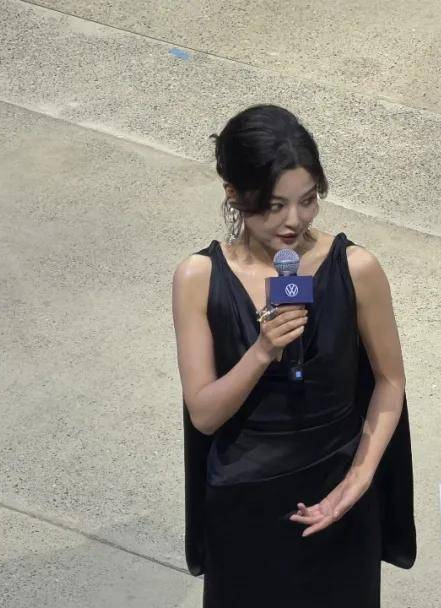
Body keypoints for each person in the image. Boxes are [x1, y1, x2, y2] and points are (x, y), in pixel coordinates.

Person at [172, 104, 415, 607]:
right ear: (234, 194)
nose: (294, 221)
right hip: (244, 507)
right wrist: (263, 349)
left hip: (338, 493)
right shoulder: (198, 277)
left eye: (307, 201)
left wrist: (358, 481)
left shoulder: (357, 268)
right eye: (274, 205)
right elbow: (205, 414)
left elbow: (390, 381)